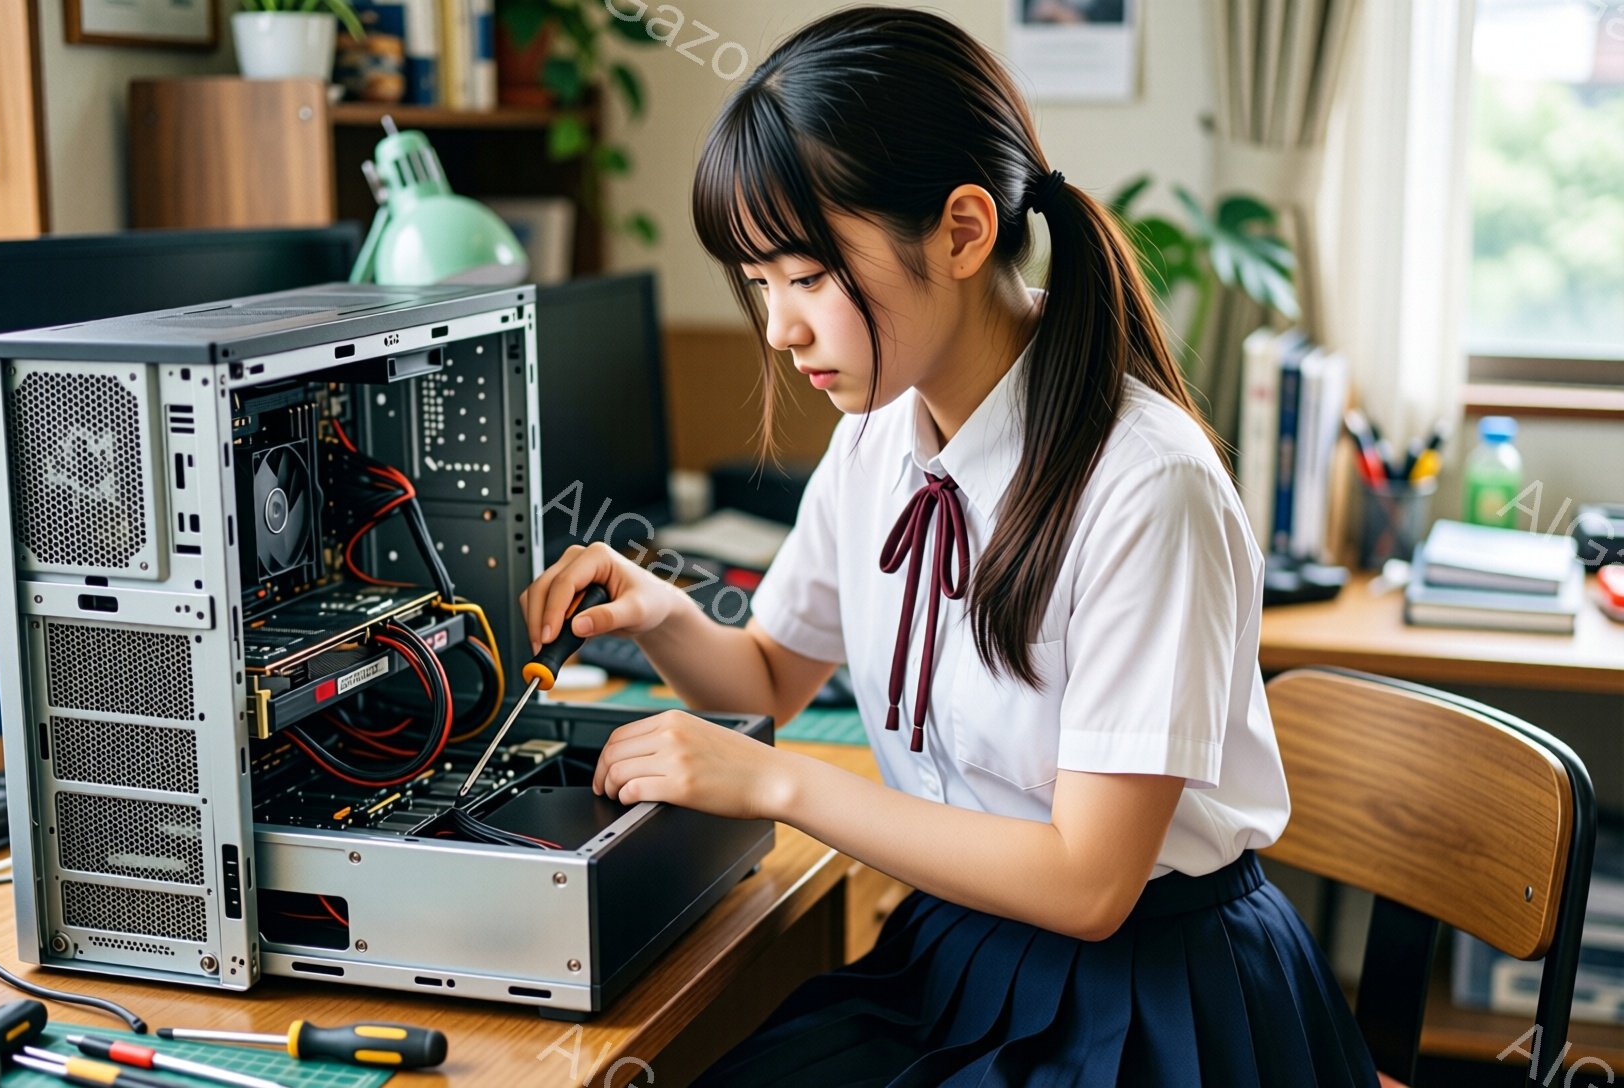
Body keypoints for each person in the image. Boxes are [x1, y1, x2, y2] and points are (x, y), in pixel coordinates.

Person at [518, 7, 1378, 1085]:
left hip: (1156, 990)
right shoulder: (878, 435)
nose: (780, 328)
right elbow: (775, 673)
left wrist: (776, 786)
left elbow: (1089, 882)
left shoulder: (1148, 486)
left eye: (808, 275)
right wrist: (666, 614)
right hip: (971, 944)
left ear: (964, 232)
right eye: (757, 283)